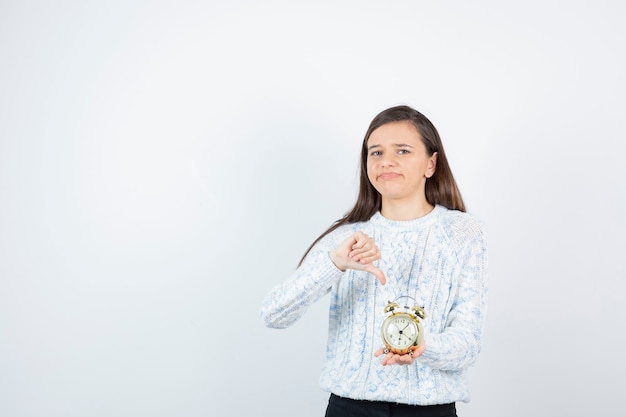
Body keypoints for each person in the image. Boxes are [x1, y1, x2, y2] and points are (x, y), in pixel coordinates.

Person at [260, 105, 488, 417]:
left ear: (431, 163)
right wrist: (335, 264)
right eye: (375, 152)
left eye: (403, 151)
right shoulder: (347, 238)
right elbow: (273, 314)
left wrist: (424, 347)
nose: (387, 162)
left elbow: (468, 343)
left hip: (430, 410)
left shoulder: (463, 232)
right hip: (349, 408)